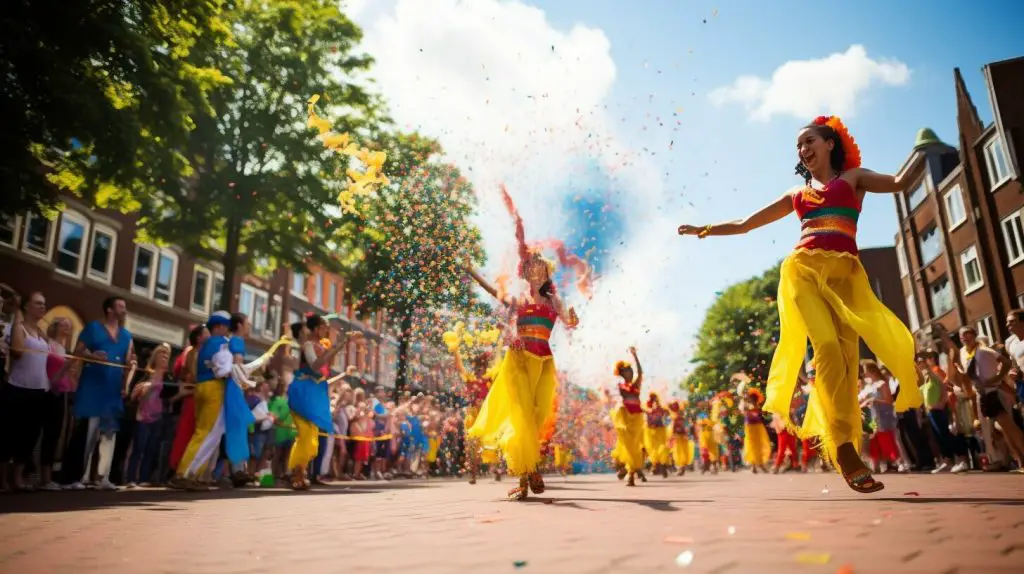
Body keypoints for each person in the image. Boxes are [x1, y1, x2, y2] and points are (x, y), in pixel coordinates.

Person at [678, 115, 923, 493]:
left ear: (829, 144)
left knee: (845, 359)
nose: (803, 149)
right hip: (803, 272)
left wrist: (924, 148)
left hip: (845, 277)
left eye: (809, 141)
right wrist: (705, 229)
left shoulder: (854, 179)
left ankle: (843, 438)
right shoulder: (797, 195)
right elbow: (745, 223)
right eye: (798, 145)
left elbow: (901, 182)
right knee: (824, 347)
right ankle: (843, 448)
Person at [465, 251, 579, 501]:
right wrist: (473, 272)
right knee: (522, 416)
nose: (536, 271)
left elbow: (569, 321)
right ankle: (528, 474)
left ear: (547, 273)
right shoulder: (519, 299)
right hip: (518, 362)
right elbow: (495, 292)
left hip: (543, 362)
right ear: (526, 273)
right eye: (531, 267)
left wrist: (573, 318)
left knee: (536, 418)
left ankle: (526, 476)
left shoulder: (554, 301)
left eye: (540, 267)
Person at [62, 296, 135, 490]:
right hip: (93, 388)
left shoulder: (127, 336)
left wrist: (126, 379)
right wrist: (91, 356)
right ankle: (72, 477)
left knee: (109, 434)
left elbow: (127, 362)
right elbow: (78, 351)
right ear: (109, 310)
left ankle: (103, 477)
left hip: (112, 391)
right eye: (120, 306)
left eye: (124, 306)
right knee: (87, 432)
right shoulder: (93, 328)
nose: (123, 309)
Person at [286, 314, 359, 490]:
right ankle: (296, 474)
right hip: (304, 391)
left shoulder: (318, 345)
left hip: (315, 392)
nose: (327, 329)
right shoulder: (309, 345)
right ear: (317, 328)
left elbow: (324, 365)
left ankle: (299, 472)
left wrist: (342, 343)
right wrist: (337, 345)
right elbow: (315, 365)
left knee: (311, 438)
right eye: (325, 326)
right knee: (305, 434)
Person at [740, 388, 771, 473]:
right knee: (752, 445)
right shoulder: (746, 405)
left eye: (754, 398)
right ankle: (754, 465)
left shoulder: (757, 406)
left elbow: (763, 415)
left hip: (758, 427)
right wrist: (744, 400)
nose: (753, 399)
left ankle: (760, 464)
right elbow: (743, 411)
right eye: (752, 398)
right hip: (750, 427)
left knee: (760, 445)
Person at [643, 392, 671, 478]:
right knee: (654, 449)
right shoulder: (648, 407)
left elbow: (667, 413)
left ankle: (660, 465)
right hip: (652, 430)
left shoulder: (659, 408)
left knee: (657, 448)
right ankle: (658, 466)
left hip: (657, 430)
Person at [667, 400, 692, 476]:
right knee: (680, 451)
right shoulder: (680, 415)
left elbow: (676, 427)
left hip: (677, 436)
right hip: (681, 435)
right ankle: (680, 467)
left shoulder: (675, 416)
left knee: (678, 452)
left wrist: (673, 435)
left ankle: (681, 467)